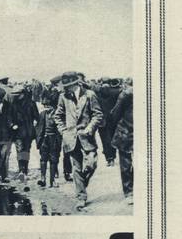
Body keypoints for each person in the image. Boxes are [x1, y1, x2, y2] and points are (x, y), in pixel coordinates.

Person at [54, 71, 104, 211]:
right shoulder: (63, 97)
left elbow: (98, 114)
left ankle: (82, 182)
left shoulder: (89, 95)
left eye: (68, 85)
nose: (66, 88)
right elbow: (58, 116)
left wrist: (90, 127)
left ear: (75, 84)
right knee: (76, 168)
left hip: (86, 136)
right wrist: (63, 131)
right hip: (70, 137)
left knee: (92, 164)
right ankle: (81, 197)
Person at [8, 84, 40, 181]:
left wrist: (34, 123)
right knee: (20, 150)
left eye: (18, 94)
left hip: (28, 131)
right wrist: (12, 124)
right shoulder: (13, 104)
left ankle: (24, 169)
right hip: (17, 132)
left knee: (26, 150)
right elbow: (9, 117)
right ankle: (21, 170)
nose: (16, 96)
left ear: (23, 94)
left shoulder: (31, 103)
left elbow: (37, 117)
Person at [110, 84, 134, 204]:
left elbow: (115, 114)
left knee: (130, 163)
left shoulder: (126, 93)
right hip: (126, 131)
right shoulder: (126, 94)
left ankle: (131, 191)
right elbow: (116, 113)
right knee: (126, 163)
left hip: (131, 130)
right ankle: (129, 192)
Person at [36, 90, 63, 188]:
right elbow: (38, 129)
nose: (46, 108)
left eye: (49, 106)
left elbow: (60, 129)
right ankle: (43, 178)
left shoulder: (57, 115)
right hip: (44, 139)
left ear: (53, 106)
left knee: (53, 159)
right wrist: (39, 140)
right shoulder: (42, 114)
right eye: (45, 106)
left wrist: (59, 140)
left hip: (54, 140)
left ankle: (52, 181)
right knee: (43, 159)